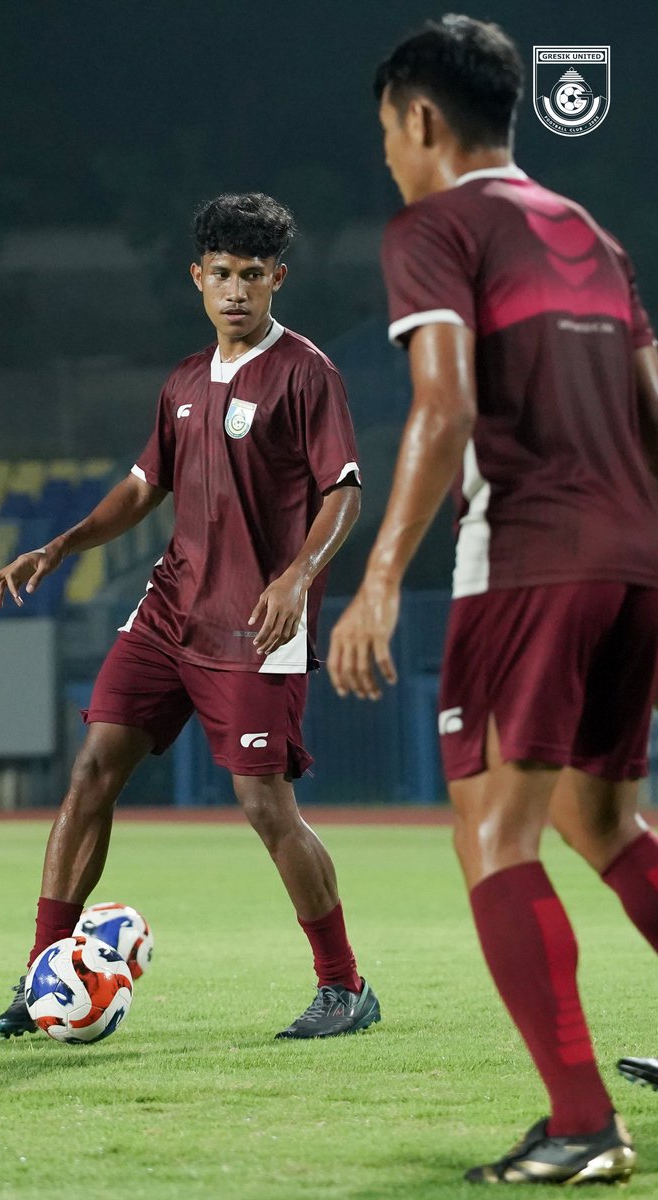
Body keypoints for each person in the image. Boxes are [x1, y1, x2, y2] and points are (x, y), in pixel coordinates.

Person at [328, 14, 658, 1186]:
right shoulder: (595, 236)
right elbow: (653, 406)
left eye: (385, 132)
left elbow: (445, 407)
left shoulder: (435, 224)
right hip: (634, 557)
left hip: (525, 557)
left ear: (422, 120)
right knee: (599, 821)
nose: (385, 156)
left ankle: (581, 1124)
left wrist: (375, 582)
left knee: (493, 835)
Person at [0, 192, 379, 1041]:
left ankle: (345, 987)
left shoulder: (307, 372)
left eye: (252, 275)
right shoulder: (183, 383)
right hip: (170, 611)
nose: (235, 290)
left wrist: (297, 577)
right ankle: (42, 971)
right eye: (221, 274)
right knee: (93, 771)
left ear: (277, 278)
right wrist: (58, 547)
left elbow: (344, 490)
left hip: (256, 624)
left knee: (264, 806)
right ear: (196, 278)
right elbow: (141, 489)